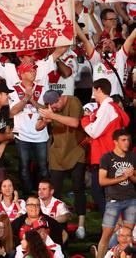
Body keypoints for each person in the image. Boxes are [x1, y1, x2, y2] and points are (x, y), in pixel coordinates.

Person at [38, 89, 87, 238]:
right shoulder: (51, 108)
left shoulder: (73, 101)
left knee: (78, 187)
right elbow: (38, 127)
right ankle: (55, 223)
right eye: (51, 107)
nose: (54, 108)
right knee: (55, 190)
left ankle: (81, 225)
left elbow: (74, 122)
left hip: (76, 150)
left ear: (60, 99)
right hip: (57, 153)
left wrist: (52, 115)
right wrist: (45, 119)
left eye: (55, 105)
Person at [81, 78, 131, 213]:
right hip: (108, 155)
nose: (94, 95)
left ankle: (114, 224)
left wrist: (85, 119)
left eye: (94, 91)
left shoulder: (106, 108)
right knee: (105, 193)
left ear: (99, 90)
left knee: (100, 193)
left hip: (106, 157)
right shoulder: (108, 108)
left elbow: (94, 132)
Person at [9, 63, 49, 197]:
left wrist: (32, 100)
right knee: (24, 168)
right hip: (22, 135)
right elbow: (12, 112)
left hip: (41, 135)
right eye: (30, 71)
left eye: (34, 70)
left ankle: (43, 195)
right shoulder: (13, 89)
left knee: (43, 168)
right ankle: (27, 195)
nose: (33, 73)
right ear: (21, 73)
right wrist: (26, 98)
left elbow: (47, 110)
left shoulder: (42, 88)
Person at [97, 129, 136, 258]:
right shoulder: (106, 158)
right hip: (113, 201)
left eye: (128, 140)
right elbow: (102, 181)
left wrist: (130, 177)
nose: (127, 143)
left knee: (127, 235)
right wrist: (123, 177)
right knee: (106, 235)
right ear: (115, 142)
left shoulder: (132, 157)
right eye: (123, 140)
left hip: (131, 200)